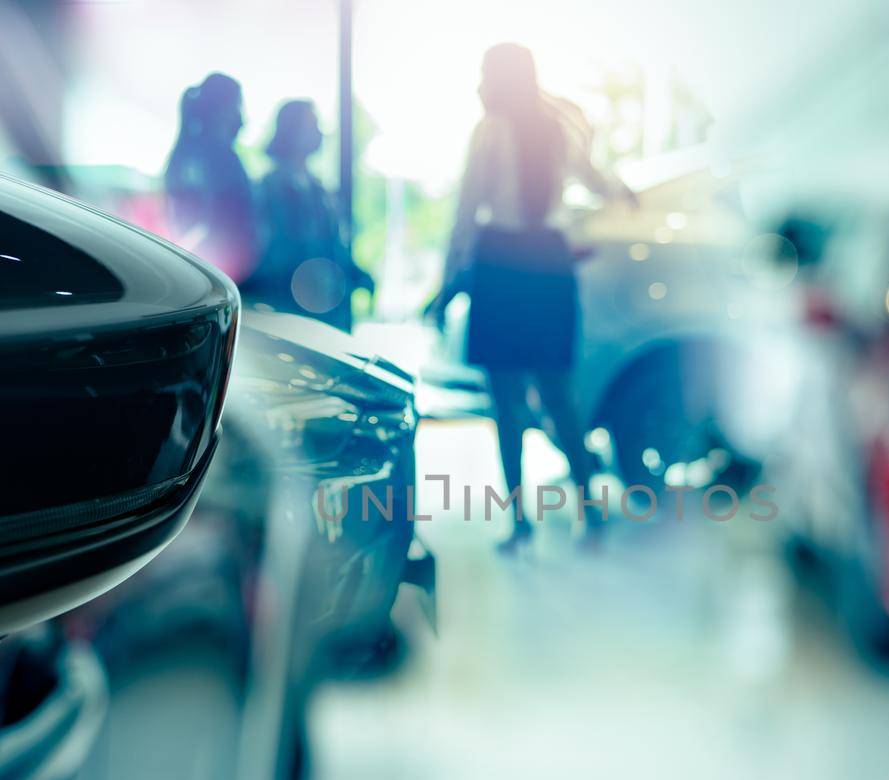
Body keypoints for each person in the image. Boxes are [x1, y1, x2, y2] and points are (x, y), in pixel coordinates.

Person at [426, 43, 635, 552]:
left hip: (502, 265)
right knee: (561, 394)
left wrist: (448, 281)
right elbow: (597, 178)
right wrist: (627, 197)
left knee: (507, 403)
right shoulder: (558, 123)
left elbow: (467, 211)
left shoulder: (489, 129)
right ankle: (591, 511)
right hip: (549, 262)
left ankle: (520, 521)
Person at [246, 99, 374, 331]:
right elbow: (275, 251)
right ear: (291, 130)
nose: (320, 132)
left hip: (326, 311)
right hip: (291, 311)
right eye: (312, 124)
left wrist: (355, 272)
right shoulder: (271, 187)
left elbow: (330, 245)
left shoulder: (318, 187)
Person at [163, 73, 258, 282]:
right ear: (222, 109)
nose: (243, 117)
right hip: (218, 272)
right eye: (238, 105)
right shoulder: (209, 158)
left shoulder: (197, 154)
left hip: (219, 271)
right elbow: (207, 222)